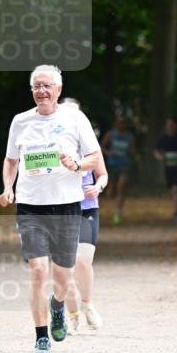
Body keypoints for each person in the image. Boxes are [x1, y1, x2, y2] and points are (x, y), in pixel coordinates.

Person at [0, 65, 100, 353]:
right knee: (38, 270)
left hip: (68, 205)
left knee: (63, 276)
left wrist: (77, 165)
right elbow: (10, 160)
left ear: (58, 89)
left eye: (47, 86)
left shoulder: (74, 118)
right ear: (32, 91)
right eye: (36, 86)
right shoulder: (20, 121)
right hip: (30, 206)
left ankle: (58, 306)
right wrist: (9, 187)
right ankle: (41, 338)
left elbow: (94, 157)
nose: (41, 91)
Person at [61, 99, 108, 334]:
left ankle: (87, 304)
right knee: (65, 268)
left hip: (87, 208)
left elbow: (103, 176)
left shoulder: (90, 146)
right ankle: (72, 315)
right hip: (60, 209)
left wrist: (97, 187)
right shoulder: (55, 146)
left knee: (82, 261)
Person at [100, 114, 134, 224]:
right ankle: (111, 205)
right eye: (119, 123)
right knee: (111, 190)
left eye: (123, 123)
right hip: (113, 164)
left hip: (125, 165)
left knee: (121, 186)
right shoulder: (111, 134)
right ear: (116, 124)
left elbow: (133, 150)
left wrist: (130, 151)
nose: (121, 125)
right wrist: (109, 152)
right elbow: (101, 147)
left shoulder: (129, 137)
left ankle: (118, 212)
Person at [154, 117, 177, 219]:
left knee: (176, 188)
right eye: (168, 125)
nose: (170, 127)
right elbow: (156, 151)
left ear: (175, 126)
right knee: (172, 190)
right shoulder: (163, 138)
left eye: (172, 125)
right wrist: (159, 157)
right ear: (166, 126)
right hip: (168, 167)